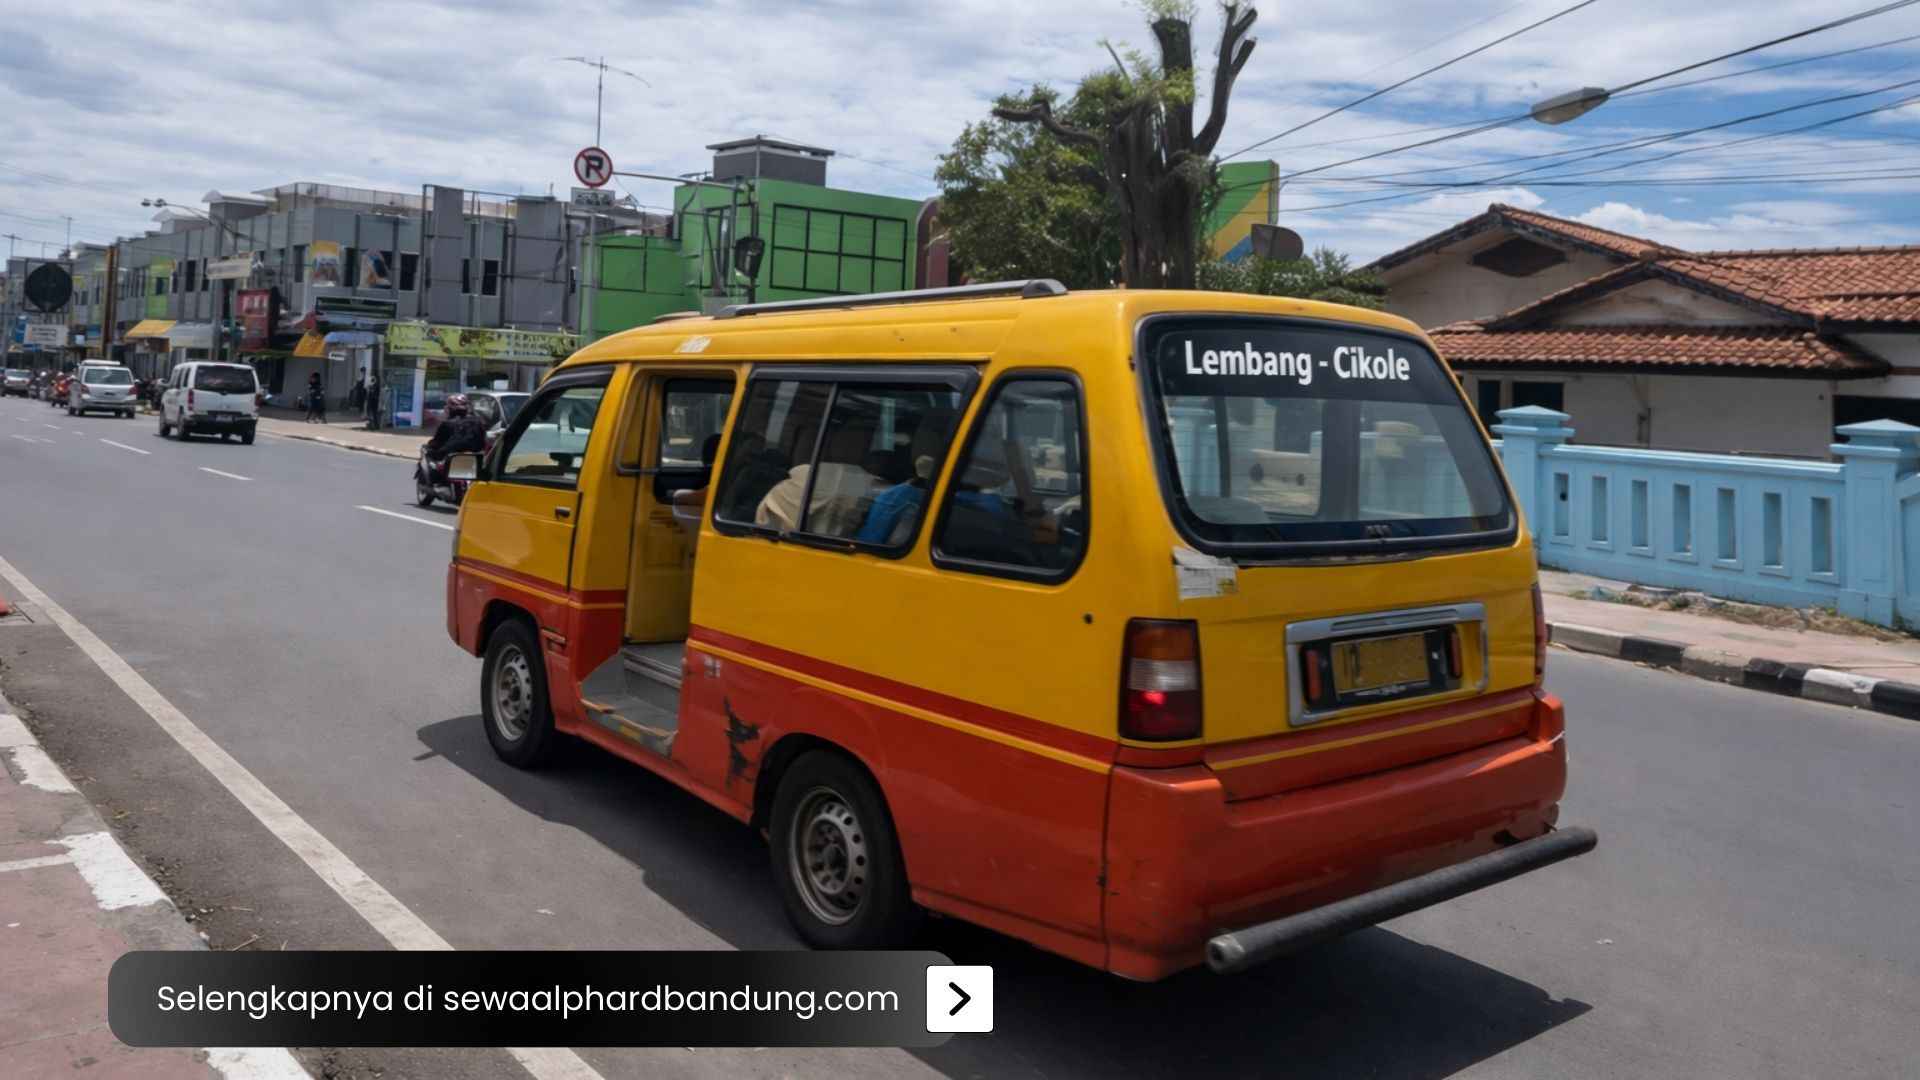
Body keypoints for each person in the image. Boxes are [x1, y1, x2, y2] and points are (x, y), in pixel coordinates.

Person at [424, 393, 487, 465]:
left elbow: (436, 443)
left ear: (450, 409)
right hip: (475, 463)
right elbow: (482, 442)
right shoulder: (478, 422)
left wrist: (429, 447)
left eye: (447, 407)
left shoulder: (447, 424)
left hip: (450, 463)